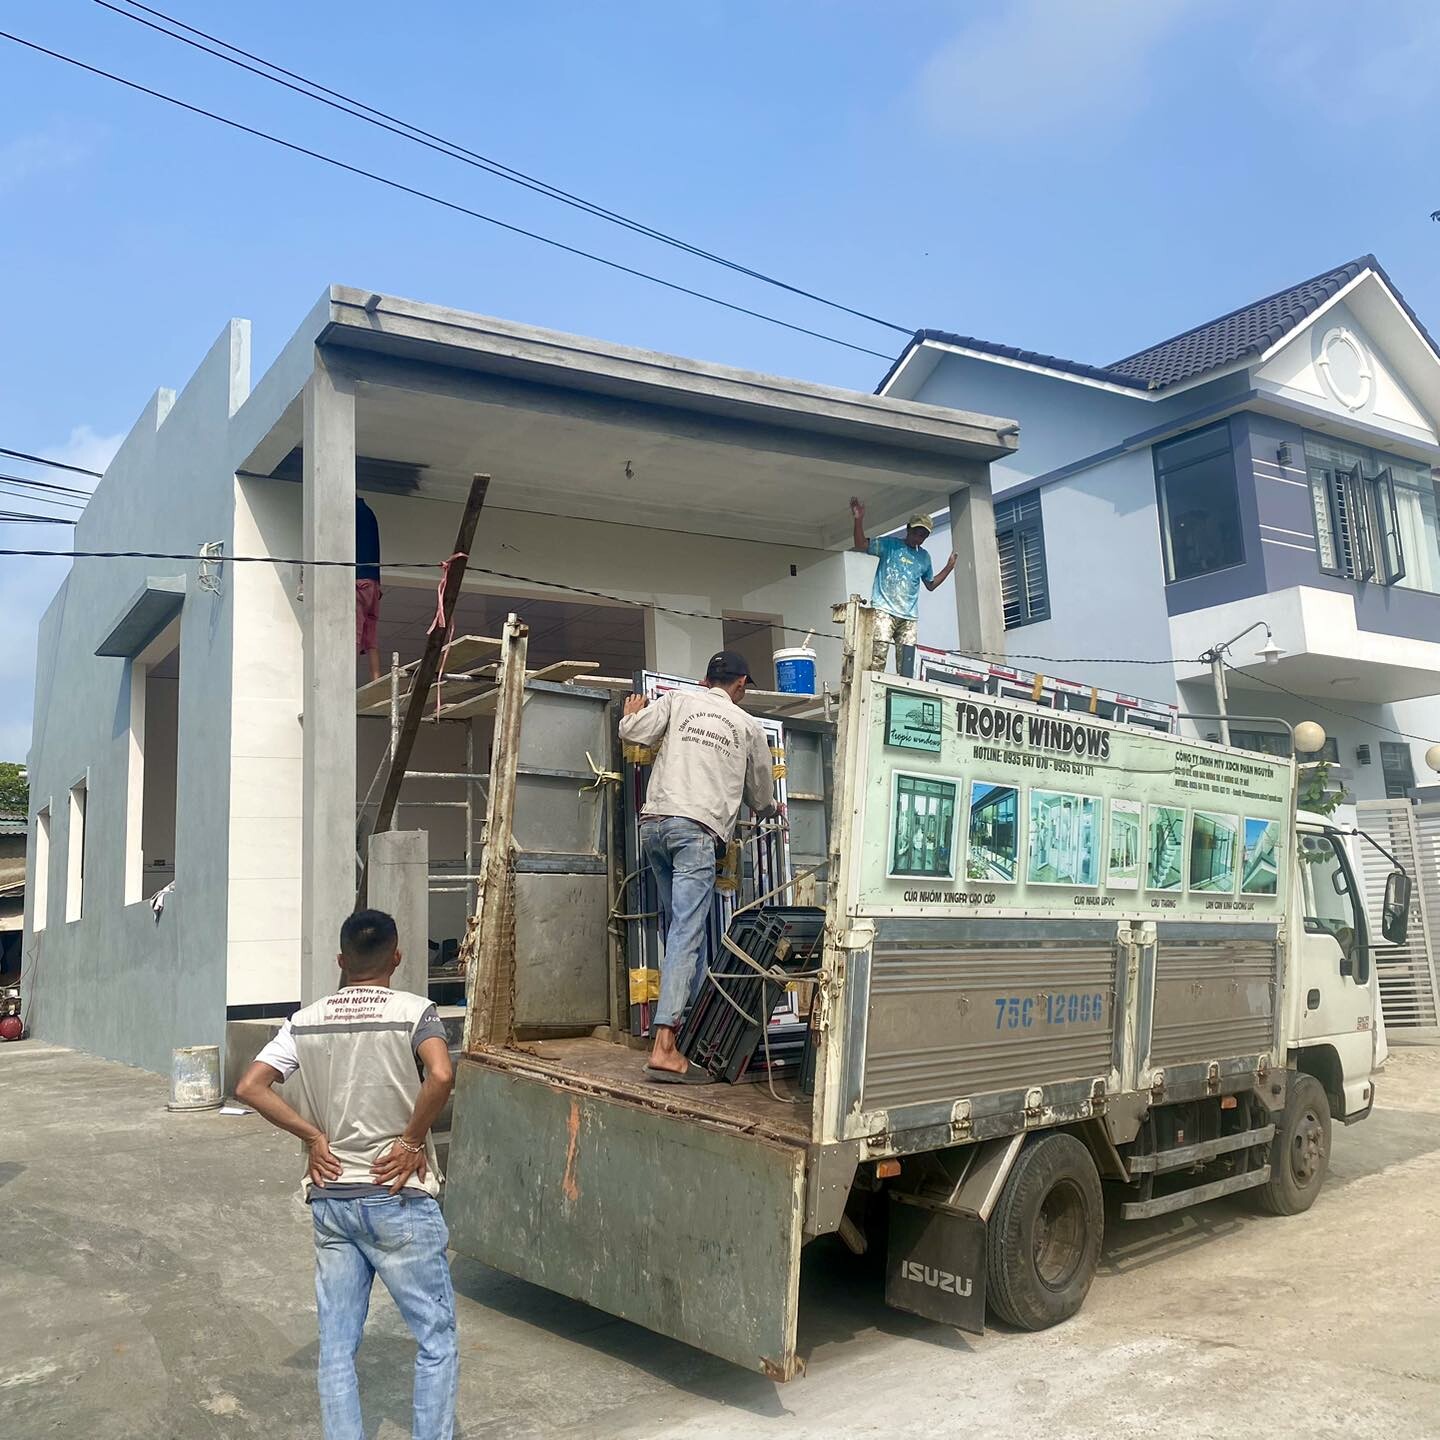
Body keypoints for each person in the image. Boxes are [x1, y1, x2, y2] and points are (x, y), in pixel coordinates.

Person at [236, 910, 458, 1440]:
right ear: (397, 957)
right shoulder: (414, 1012)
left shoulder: (305, 1020)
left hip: (332, 1197)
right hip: (398, 1197)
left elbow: (250, 1086)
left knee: (336, 1349)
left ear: (341, 960)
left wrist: (313, 1137)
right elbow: (441, 1074)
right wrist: (410, 1141)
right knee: (435, 1340)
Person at [618, 650, 777, 1084]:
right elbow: (761, 796)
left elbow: (634, 732)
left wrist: (630, 714)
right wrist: (769, 810)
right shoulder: (747, 726)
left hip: (654, 827)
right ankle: (665, 1045)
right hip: (696, 833)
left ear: (706, 680)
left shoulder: (678, 700)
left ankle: (688, 1025)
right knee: (688, 934)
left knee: (681, 933)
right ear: (741, 685)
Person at [850, 497, 957, 677]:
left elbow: (930, 584)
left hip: (909, 617)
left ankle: (903, 690)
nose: (919, 538)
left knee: (908, 663)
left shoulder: (924, 557)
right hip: (884, 609)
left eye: (923, 536)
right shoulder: (890, 545)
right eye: (916, 533)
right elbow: (861, 544)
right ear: (908, 529)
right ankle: (873, 686)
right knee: (878, 655)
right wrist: (858, 520)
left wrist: (948, 568)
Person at [356, 495, 383, 684]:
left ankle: (347, 681)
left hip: (358, 580)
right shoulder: (369, 513)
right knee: (371, 635)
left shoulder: (353, 512)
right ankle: (376, 681)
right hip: (373, 584)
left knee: (355, 633)